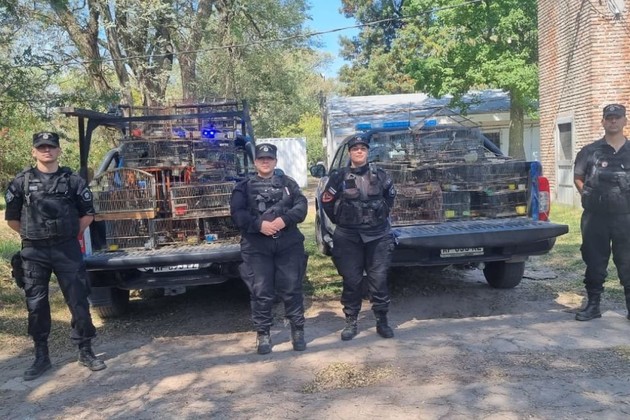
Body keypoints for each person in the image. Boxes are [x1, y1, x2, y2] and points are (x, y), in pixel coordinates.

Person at [4, 131, 106, 381]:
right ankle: (41, 356)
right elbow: (12, 219)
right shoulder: (21, 182)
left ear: (59, 150)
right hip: (34, 251)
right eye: (41, 147)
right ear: (34, 151)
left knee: (78, 301)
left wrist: (70, 234)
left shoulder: (73, 181)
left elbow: (88, 214)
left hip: (66, 249)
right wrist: (33, 235)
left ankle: (85, 350)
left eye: (51, 146)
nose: (46, 150)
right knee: (36, 305)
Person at [230, 143, 308, 354]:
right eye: (261, 159)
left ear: (275, 161)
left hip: (288, 243)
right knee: (261, 291)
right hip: (257, 245)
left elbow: (301, 206)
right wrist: (258, 225)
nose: (265, 162)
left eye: (269, 159)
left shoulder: (288, 184)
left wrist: (284, 220)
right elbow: (237, 213)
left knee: (292, 288)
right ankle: (263, 332)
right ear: (255, 162)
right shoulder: (243, 186)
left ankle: (297, 330)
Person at [320, 134, 397, 340]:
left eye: (363, 148)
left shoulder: (381, 175)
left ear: (367, 152)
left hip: (378, 236)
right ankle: (351, 321)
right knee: (351, 281)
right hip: (348, 237)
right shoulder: (338, 177)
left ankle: (382, 321)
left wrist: (378, 216)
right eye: (355, 149)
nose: (359, 151)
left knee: (378, 280)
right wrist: (341, 219)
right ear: (350, 152)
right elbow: (326, 201)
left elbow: (390, 197)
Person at [574, 103, 630, 321]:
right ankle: (593, 306)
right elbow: (578, 178)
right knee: (595, 261)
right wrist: (588, 195)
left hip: (626, 217)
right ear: (603, 121)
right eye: (609, 117)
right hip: (596, 217)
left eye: (617, 117)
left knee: (627, 262)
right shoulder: (590, 151)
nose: (613, 121)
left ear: (625, 121)